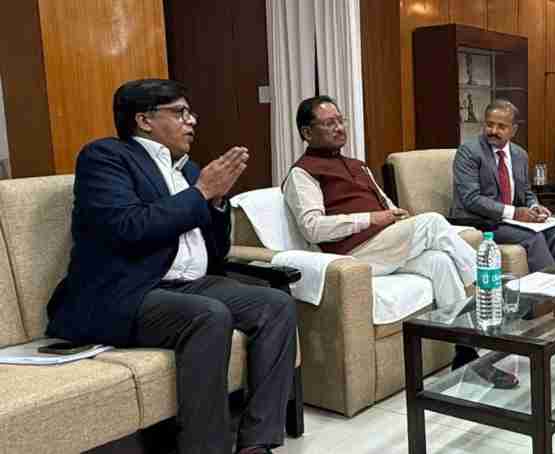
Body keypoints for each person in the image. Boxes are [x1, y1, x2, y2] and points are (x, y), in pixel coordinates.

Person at [46, 79, 296, 454]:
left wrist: (216, 204)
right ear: (144, 120)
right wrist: (201, 193)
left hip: (189, 286)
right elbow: (128, 227)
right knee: (208, 315)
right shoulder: (106, 157)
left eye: (190, 113)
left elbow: (217, 251)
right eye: (180, 112)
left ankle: (256, 444)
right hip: (128, 291)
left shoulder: (191, 171)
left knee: (276, 305)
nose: (192, 121)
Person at [283, 96, 517, 389]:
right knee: (431, 222)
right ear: (307, 132)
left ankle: (467, 355)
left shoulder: (357, 165)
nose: (339, 128)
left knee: (440, 262)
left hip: (383, 245)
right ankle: (492, 288)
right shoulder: (302, 172)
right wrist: (372, 219)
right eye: (330, 123)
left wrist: (396, 216)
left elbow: (386, 205)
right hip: (352, 253)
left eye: (341, 121)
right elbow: (312, 228)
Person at [452, 99, 555, 272]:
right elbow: (471, 199)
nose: (493, 131)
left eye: (501, 127)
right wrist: (514, 213)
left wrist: (534, 207)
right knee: (534, 237)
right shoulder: (469, 152)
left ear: (514, 130)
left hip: (508, 220)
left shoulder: (519, 154)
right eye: (489, 125)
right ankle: (549, 287)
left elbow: (526, 192)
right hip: (479, 221)